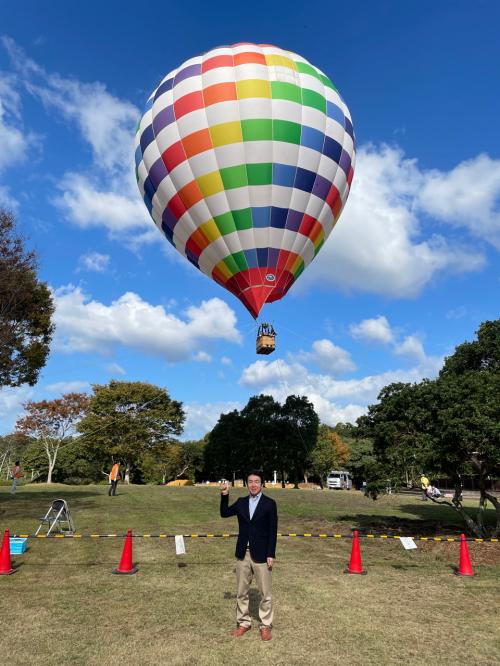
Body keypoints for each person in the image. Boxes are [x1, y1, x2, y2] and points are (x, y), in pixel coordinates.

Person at [220, 471, 278, 641]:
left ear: (262, 484)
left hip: (262, 554)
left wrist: (270, 553)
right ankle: (243, 623)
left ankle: (265, 625)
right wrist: (224, 494)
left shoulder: (269, 504)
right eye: (250, 481)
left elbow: (273, 531)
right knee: (241, 592)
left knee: (265, 593)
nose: (253, 484)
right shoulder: (241, 502)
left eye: (256, 481)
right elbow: (224, 513)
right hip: (242, 554)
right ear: (247, 484)